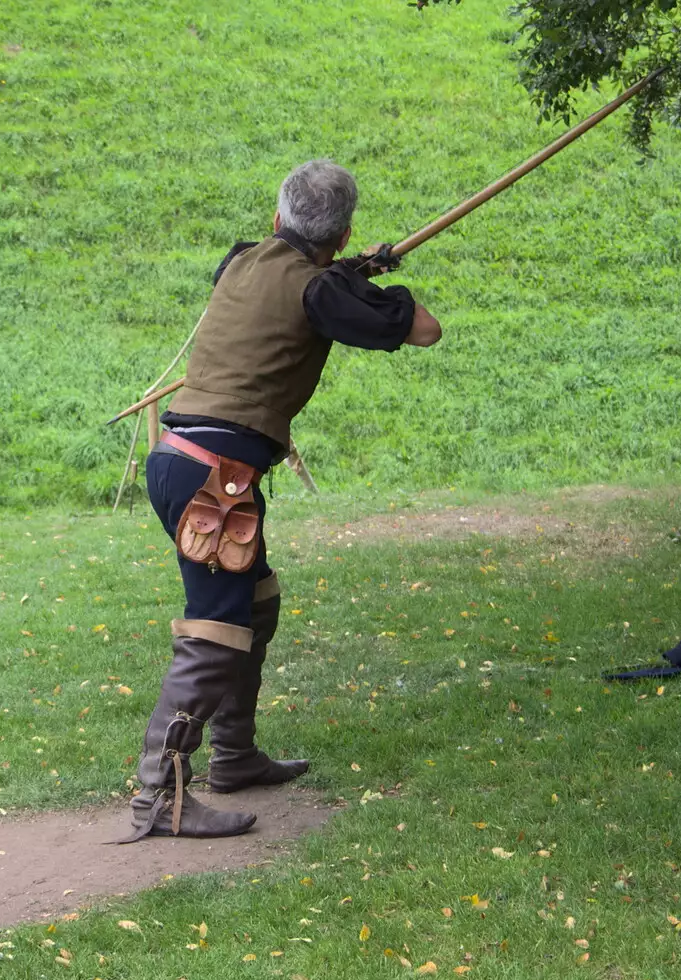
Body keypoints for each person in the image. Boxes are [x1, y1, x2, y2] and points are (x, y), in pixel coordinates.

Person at [120, 160, 442, 842]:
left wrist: (353, 270)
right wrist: (361, 278)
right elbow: (424, 329)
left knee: (253, 605)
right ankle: (160, 797)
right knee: (215, 628)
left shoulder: (241, 261)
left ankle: (233, 758)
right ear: (346, 230)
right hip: (215, 482)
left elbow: (299, 283)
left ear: (275, 221)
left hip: (191, 466)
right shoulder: (319, 290)